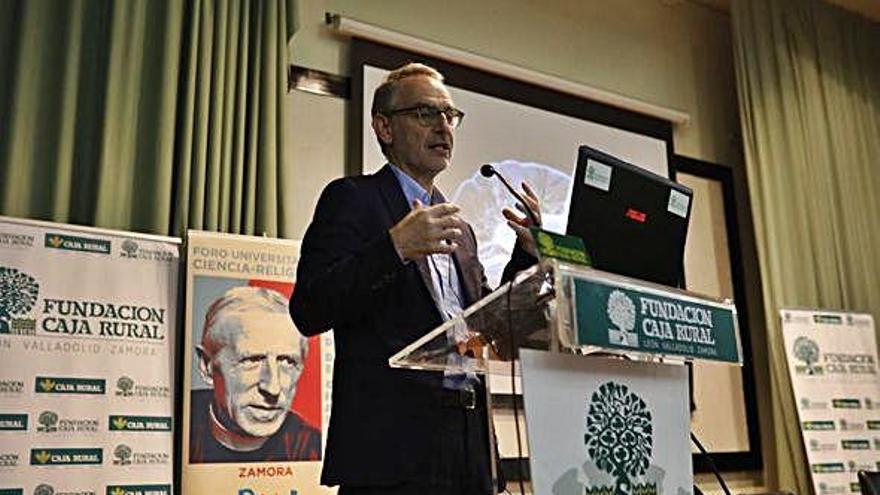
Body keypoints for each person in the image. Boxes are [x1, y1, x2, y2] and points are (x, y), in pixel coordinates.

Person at [290, 62, 541, 494]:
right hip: (393, 451)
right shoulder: (353, 200)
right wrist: (395, 249)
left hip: (470, 442)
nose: (444, 126)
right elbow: (309, 308)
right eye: (426, 113)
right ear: (384, 127)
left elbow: (487, 328)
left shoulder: (460, 230)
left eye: (450, 115)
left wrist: (527, 256)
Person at [190, 285, 321, 463]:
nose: (273, 388)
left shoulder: (313, 446)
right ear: (207, 366)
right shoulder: (180, 423)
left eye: (287, 362)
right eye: (252, 360)